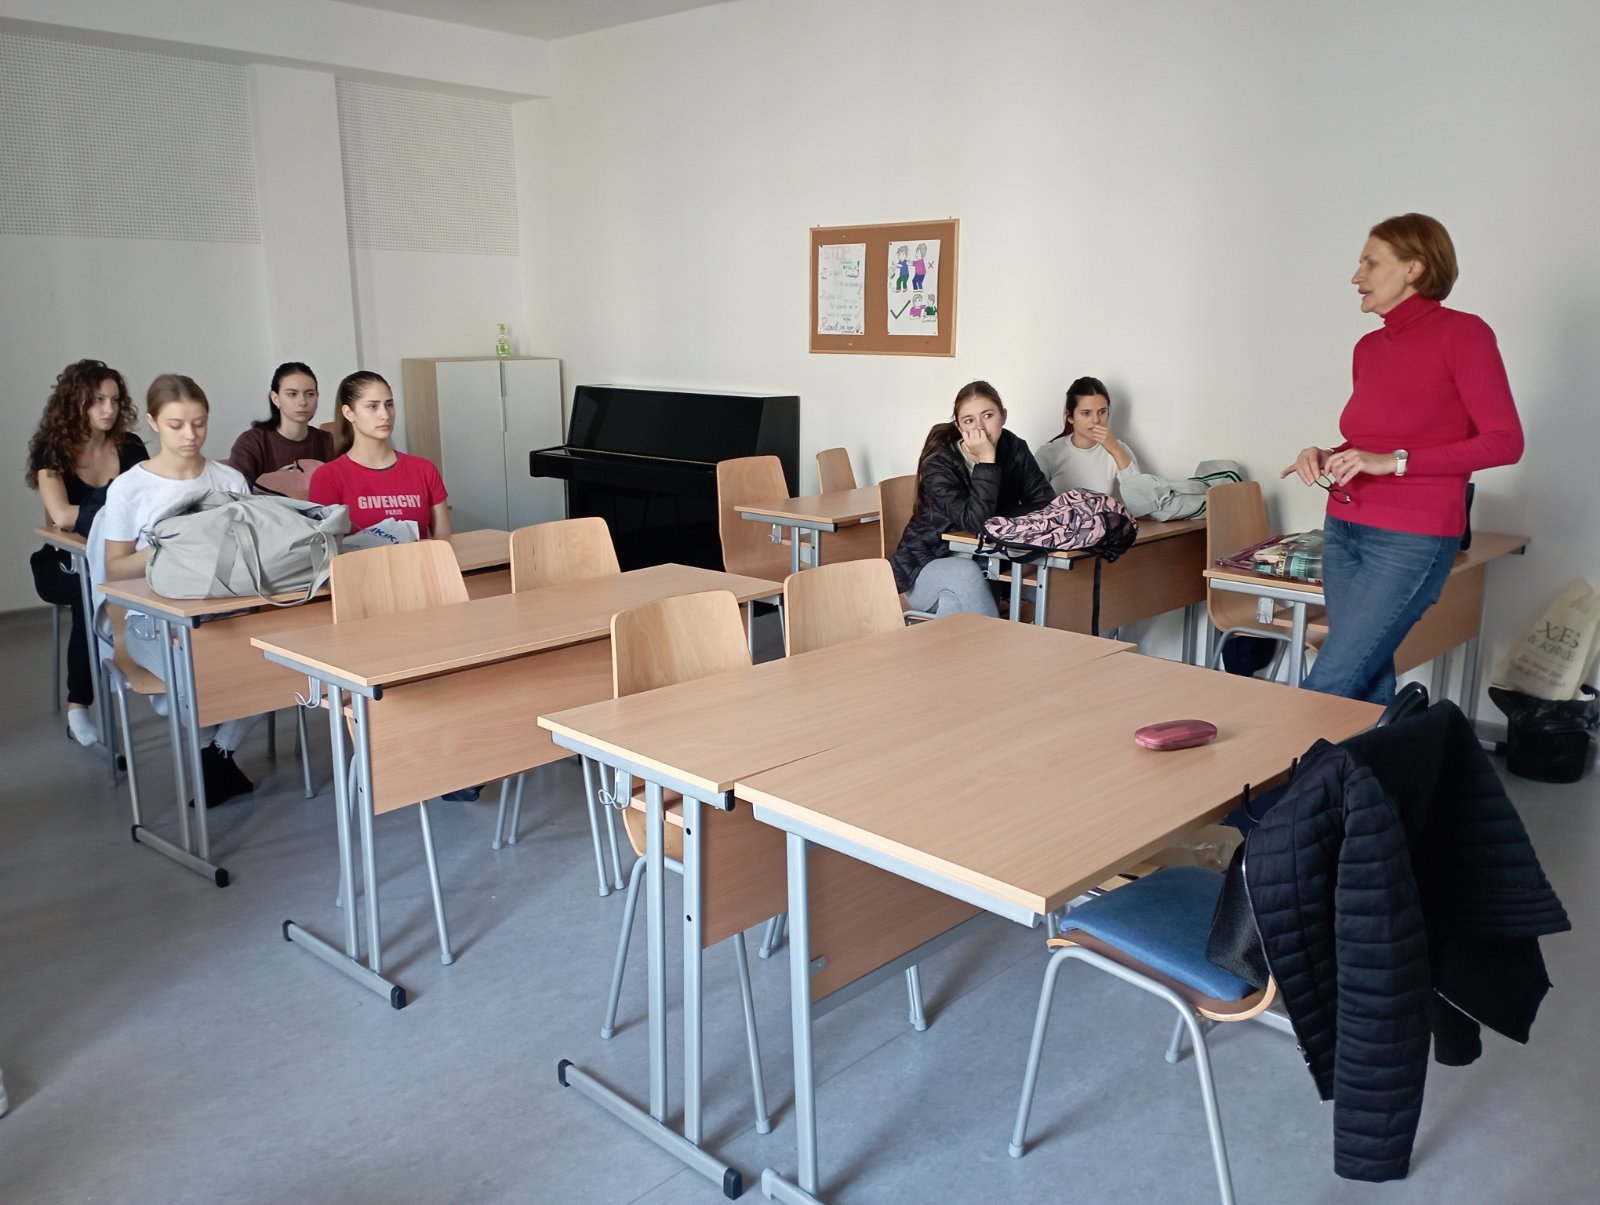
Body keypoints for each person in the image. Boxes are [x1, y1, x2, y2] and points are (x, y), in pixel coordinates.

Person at [1283, 213, 1523, 703]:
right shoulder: (1369, 347)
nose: (1356, 276)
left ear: (1414, 268)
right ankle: (1370, 758)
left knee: (1329, 683)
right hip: (1344, 528)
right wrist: (1328, 454)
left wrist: (1394, 462)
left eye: (1370, 262)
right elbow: (1369, 440)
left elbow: (1505, 441)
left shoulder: (1465, 335)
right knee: (1364, 675)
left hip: (1410, 538)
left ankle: (1284, 758)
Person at [100, 375, 258, 802]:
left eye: (199, 423)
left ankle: (216, 754)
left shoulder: (228, 480)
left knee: (279, 668)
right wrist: (172, 546)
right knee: (191, 680)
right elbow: (115, 568)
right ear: (153, 422)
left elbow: (249, 555)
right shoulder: (131, 487)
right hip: (155, 619)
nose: (190, 435)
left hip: (226, 612)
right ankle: (216, 753)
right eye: (176, 425)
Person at [25, 360, 149, 747]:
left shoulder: (130, 447)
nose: (108, 409)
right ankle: (78, 705)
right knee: (89, 590)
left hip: (118, 556)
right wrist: (115, 513)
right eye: (97, 400)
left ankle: (166, 680)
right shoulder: (52, 452)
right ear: (74, 402)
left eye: (114, 400)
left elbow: (149, 506)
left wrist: (105, 518)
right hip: (61, 562)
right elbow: (61, 515)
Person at [890, 380, 1054, 616]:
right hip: (926, 565)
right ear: (958, 426)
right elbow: (978, 523)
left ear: (1003, 416)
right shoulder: (939, 463)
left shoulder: (1015, 448)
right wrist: (987, 461)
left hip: (990, 564)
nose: (980, 428)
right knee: (966, 574)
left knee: (956, 603)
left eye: (988, 416)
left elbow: (1046, 504)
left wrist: (997, 518)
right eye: (969, 421)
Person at [309, 371, 451, 540]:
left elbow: (443, 539)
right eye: (372, 406)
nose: (385, 415)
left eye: (389, 404)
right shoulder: (327, 477)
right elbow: (326, 547)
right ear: (349, 413)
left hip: (420, 558)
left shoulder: (424, 469)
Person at [226, 362, 333, 494]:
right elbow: (238, 496)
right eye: (292, 394)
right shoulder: (252, 443)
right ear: (275, 398)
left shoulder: (329, 441)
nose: (303, 402)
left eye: (310, 394)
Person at [1034, 376, 1141, 503]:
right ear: (1070, 417)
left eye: (1102, 412)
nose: (1096, 420)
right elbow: (1032, 503)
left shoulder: (1117, 448)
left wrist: (1116, 451)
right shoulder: (1048, 453)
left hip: (1101, 515)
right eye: (1086, 413)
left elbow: (1141, 500)